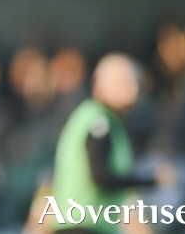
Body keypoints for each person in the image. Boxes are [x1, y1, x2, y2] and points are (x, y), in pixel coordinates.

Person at [50, 53, 170, 234]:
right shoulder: (99, 120)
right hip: (85, 227)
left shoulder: (97, 118)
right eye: (124, 81)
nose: (132, 89)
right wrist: (149, 181)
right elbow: (100, 175)